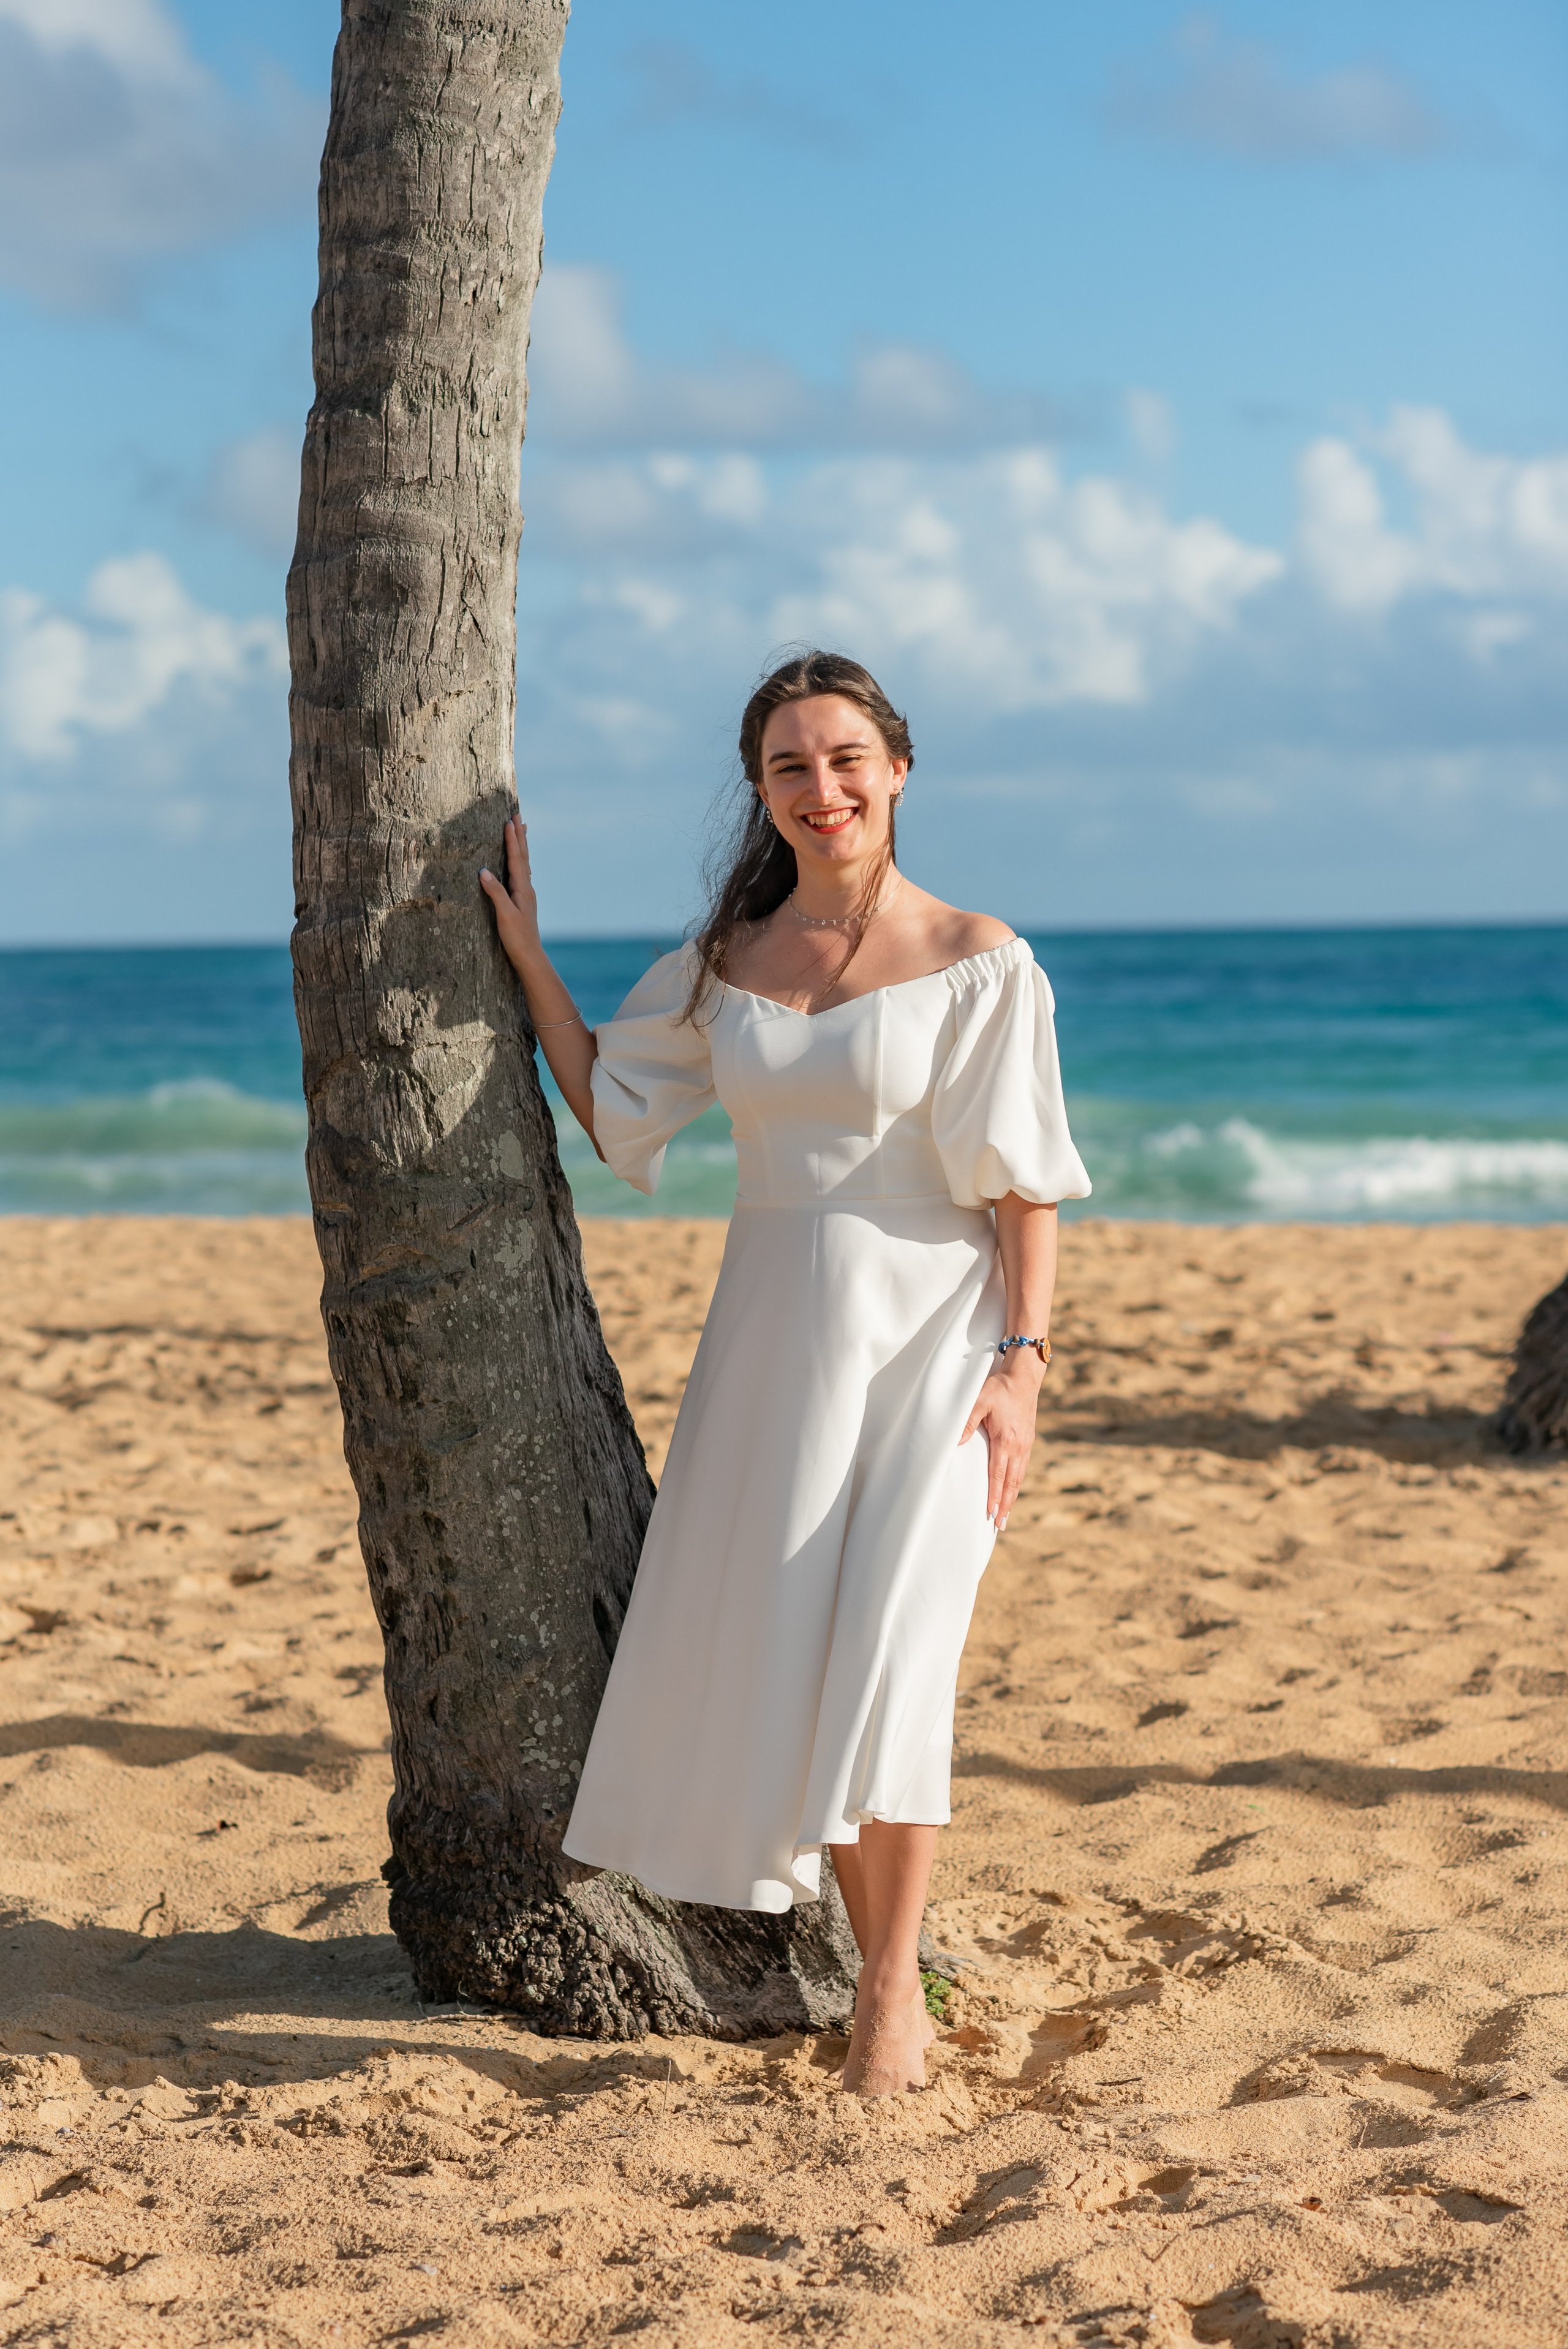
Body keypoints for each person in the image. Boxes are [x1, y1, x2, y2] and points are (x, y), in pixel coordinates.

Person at [480, 650, 1091, 2096]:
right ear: (761, 792)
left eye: (843, 759)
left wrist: (1023, 1361)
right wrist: (525, 958)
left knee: (896, 1648)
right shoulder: (729, 956)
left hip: (935, 1333)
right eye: (788, 768)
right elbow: (617, 1099)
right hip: (772, 1341)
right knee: (809, 1665)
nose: (821, 790)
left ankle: (888, 1996)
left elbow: (1024, 1185)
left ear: (896, 768)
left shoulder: (974, 954)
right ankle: (878, 1978)